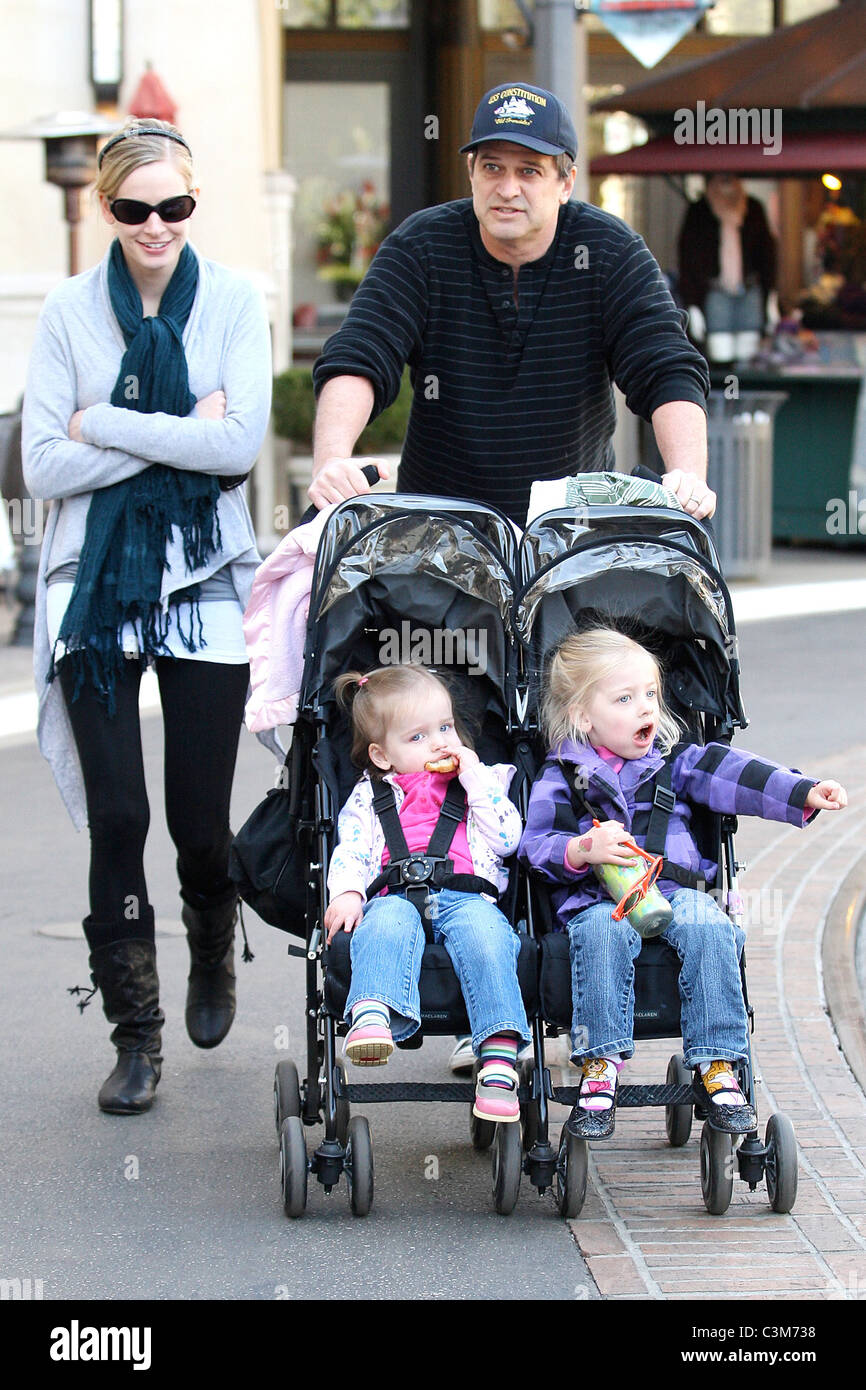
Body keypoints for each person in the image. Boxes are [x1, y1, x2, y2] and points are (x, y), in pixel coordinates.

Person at [22, 119, 272, 1115]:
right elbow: (42, 463)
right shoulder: (70, 312)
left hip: (205, 575)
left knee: (198, 824)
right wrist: (180, 436)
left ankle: (211, 939)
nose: (155, 224)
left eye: (174, 206)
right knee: (119, 815)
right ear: (106, 209)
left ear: (193, 203)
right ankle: (137, 1036)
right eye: (134, 209)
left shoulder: (236, 300)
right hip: (91, 580)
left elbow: (241, 445)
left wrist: (106, 426)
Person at [310, 81, 715, 526]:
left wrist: (687, 477)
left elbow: (666, 367)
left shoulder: (610, 251)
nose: (507, 188)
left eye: (529, 171)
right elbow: (361, 355)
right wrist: (332, 462)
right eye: (492, 168)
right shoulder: (420, 246)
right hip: (440, 537)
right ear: (471, 173)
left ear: (566, 183)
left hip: (572, 534)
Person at [519, 628, 847, 1139]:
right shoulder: (561, 776)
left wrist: (802, 789)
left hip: (677, 891)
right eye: (625, 699)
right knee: (600, 935)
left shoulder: (678, 761)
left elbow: (738, 775)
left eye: (650, 694)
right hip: (598, 900)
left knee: (712, 927)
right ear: (585, 717)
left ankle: (718, 1061)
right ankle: (599, 1063)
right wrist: (581, 850)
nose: (645, 708)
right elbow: (534, 845)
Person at [324, 664, 531, 1122]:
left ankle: (499, 1056)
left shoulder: (484, 780)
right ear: (382, 756)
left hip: (467, 896)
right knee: (381, 926)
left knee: (488, 939)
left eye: (446, 727)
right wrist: (346, 893)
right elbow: (352, 851)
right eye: (418, 737)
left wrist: (475, 779)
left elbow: (508, 838)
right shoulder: (370, 797)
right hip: (393, 895)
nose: (440, 742)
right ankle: (373, 1012)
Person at [677, 173, 777, 363]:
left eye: (732, 178)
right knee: (720, 351)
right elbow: (688, 259)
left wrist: (771, 297)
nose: (727, 184)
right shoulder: (700, 211)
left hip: (749, 291)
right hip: (716, 292)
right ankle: (727, 391)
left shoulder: (753, 209)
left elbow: (767, 256)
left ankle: (741, 391)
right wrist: (693, 304)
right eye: (722, 178)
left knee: (748, 354)